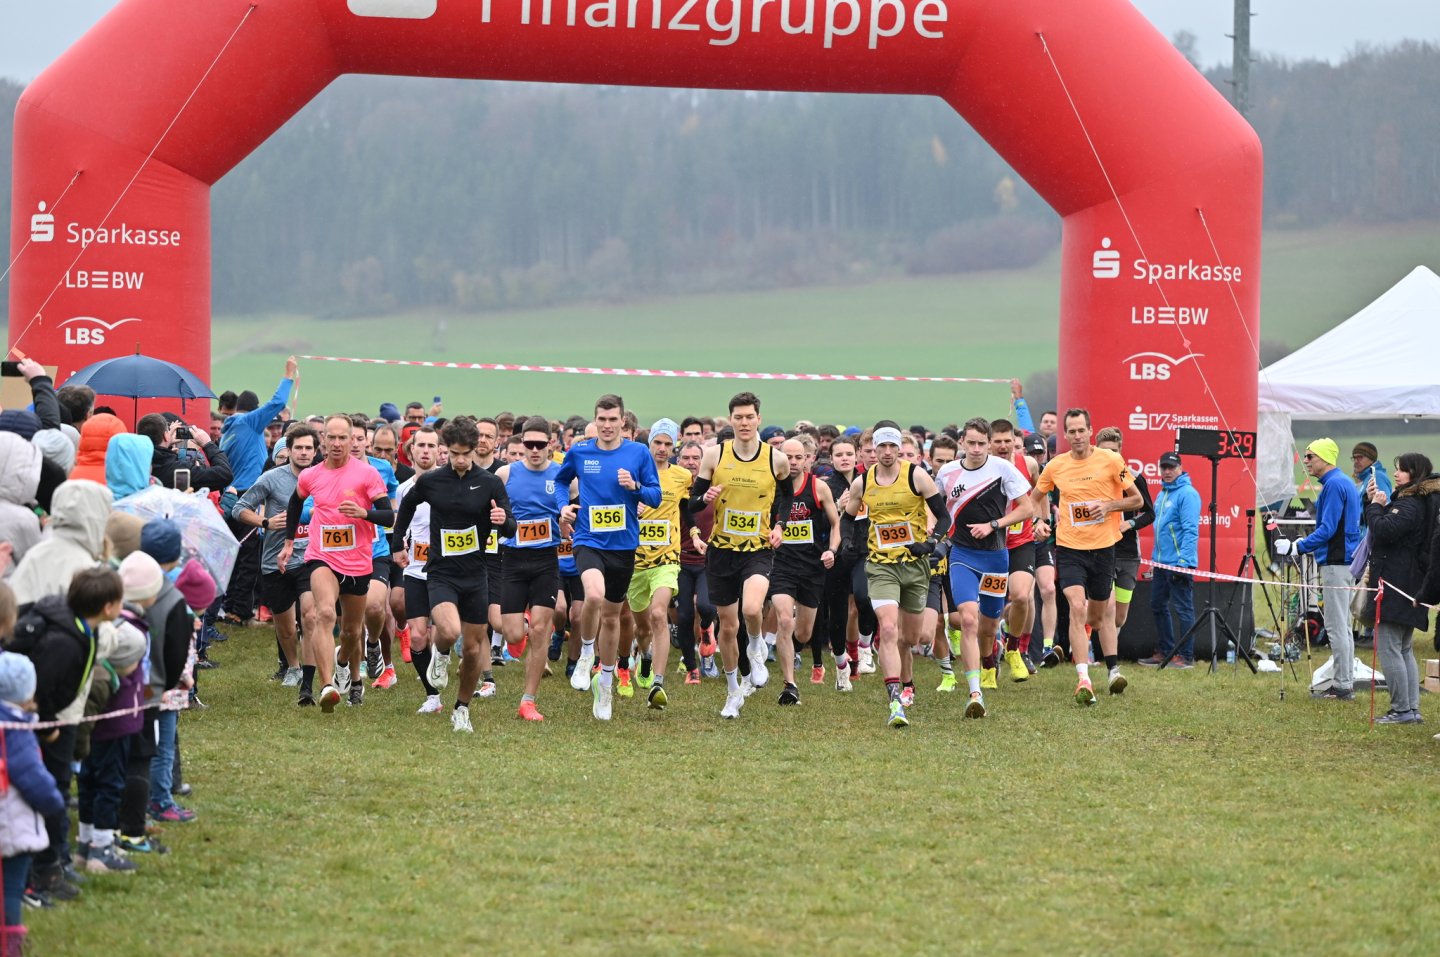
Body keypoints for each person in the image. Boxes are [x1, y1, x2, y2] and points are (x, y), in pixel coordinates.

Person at [392, 417, 515, 732]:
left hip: (476, 575)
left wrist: (502, 520)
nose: (460, 460)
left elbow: (511, 526)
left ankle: (461, 709)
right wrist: (397, 543)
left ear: (475, 449)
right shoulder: (432, 481)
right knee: (447, 630)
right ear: (447, 450)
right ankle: (442, 655)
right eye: (454, 453)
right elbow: (406, 507)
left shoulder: (490, 483)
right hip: (442, 572)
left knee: (473, 650)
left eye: (466, 453)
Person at [278, 414, 393, 713]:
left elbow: (388, 516)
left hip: (358, 561)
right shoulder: (310, 476)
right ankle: (327, 685)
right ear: (323, 440)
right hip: (322, 556)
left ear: (352, 440)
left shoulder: (367, 474)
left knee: (352, 632)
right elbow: (295, 502)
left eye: (344, 438)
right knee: (325, 613)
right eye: (333, 437)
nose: (338, 443)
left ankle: (346, 667)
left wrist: (364, 513)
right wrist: (289, 543)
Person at [556, 395, 661, 721]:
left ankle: (605, 685)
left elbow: (655, 496)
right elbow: (560, 481)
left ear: (622, 422)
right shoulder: (580, 452)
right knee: (594, 595)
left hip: (623, 546)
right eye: (601, 419)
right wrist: (562, 506)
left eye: (612, 419)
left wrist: (635, 487)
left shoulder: (638, 453)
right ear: (595, 420)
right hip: (588, 539)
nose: (606, 425)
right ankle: (587, 652)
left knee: (613, 617)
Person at [1028, 409, 1142, 706]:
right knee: (1077, 607)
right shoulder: (1056, 465)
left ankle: (1101, 661)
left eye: (1081, 430)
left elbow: (1137, 499)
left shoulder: (1110, 460)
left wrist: (1109, 506)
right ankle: (1084, 679)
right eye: (1072, 431)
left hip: (1104, 548)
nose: (1077, 436)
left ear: (1090, 431)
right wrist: (1038, 522)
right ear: (1065, 435)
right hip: (1069, 549)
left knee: (1097, 617)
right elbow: (1034, 499)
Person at [689, 392, 791, 720]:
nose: (744, 422)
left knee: (751, 608)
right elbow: (693, 502)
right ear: (730, 419)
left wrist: (780, 525)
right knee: (728, 627)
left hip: (757, 549)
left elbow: (786, 498)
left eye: (749, 417)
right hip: (721, 550)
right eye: (738, 417)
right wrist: (706, 497)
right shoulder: (714, 455)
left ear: (758, 419)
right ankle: (734, 690)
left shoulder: (776, 459)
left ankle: (757, 647)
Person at [841, 424, 950, 727]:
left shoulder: (916, 476)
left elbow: (944, 517)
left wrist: (930, 543)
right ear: (873, 450)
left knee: (911, 638)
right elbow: (847, 518)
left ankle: (908, 680)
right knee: (888, 629)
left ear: (899, 448)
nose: (887, 452)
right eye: (882, 447)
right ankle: (894, 700)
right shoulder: (863, 482)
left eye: (892, 446)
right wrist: (847, 541)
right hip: (881, 566)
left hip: (914, 566)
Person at [935, 418, 1031, 718]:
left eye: (981, 443)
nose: (976, 449)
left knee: (988, 626)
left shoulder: (1003, 469)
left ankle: (993, 656)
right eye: (971, 443)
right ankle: (975, 692)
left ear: (989, 443)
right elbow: (933, 506)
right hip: (962, 555)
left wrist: (994, 525)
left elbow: (1028, 508)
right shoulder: (947, 472)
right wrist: (934, 534)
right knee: (968, 619)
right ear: (961, 442)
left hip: (995, 558)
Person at [233, 423, 320, 688]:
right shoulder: (271, 478)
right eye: (298, 448)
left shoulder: (323, 477)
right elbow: (239, 508)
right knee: (285, 626)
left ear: (315, 451)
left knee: (310, 616)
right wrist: (266, 522)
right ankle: (292, 667)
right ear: (289, 451)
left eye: (308, 448)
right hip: (275, 561)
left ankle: (309, 675)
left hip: (310, 558)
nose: (303, 453)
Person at [495, 416, 568, 722]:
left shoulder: (562, 475)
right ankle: (523, 624)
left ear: (551, 444)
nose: (535, 450)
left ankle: (528, 701)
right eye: (529, 444)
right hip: (512, 560)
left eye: (541, 444)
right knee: (513, 635)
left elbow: (578, 508)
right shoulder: (505, 474)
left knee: (540, 631)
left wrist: (568, 521)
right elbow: (488, 511)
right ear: (521, 443)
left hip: (545, 562)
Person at [218, 356, 298, 625]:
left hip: (230, 496)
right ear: (253, 411)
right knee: (249, 556)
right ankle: (239, 611)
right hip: (248, 497)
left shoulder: (228, 430)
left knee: (234, 553)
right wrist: (288, 375)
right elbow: (276, 403)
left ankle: (227, 605)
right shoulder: (249, 423)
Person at [1361, 453, 1437, 724]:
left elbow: (1384, 530)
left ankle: (1401, 710)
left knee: (1389, 647)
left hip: (1397, 584)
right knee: (1403, 647)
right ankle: (1410, 709)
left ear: (1415, 473)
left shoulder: (1410, 504)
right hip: (1410, 583)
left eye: (1402, 470)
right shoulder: (1416, 501)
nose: (1396, 474)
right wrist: (1372, 503)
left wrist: (1374, 506)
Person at [0, 649, 66, 952]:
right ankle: (10, 942)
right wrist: (53, 802)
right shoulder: (16, 731)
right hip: (11, 824)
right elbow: (31, 776)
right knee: (11, 889)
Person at [1288, 438, 1364, 701]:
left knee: (1335, 626)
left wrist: (1298, 546)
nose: (1305, 461)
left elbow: (1328, 529)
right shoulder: (1342, 481)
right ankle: (1345, 681)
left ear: (1324, 458)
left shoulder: (1333, 485)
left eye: (1310, 456)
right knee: (1343, 625)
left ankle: (1342, 686)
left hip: (1337, 562)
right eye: (1305, 456)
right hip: (1344, 561)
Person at [626, 419, 693, 711]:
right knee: (642, 629)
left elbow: (690, 509)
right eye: (658, 443)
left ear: (674, 446)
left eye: (668, 444)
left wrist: (695, 532)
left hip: (667, 558)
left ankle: (658, 683)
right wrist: (633, 504)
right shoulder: (632, 473)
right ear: (649, 443)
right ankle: (646, 655)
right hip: (635, 561)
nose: (663, 449)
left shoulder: (682, 476)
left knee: (658, 613)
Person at [768, 435, 840, 705]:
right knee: (785, 620)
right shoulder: (772, 487)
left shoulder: (818, 487)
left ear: (808, 459)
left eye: (799, 457)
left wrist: (832, 550)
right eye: (788, 457)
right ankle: (790, 685)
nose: (794, 462)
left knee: (804, 633)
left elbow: (836, 524)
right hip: (780, 564)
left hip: (811, 566)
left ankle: (792, 648)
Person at [1094, 427, 1155, 652]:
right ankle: (1103, 656)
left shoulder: (1134, 478)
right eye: (1105, 452)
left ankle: (1105, 651)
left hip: (1128, 554)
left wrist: (1129, 524)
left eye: (1114, 451)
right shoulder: (1091, 478)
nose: (1110, 456)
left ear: (1120, 451)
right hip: (1100, 550)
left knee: (1119, 617)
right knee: (1106, 608)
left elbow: (1150, 513)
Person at [1142, 451, 1201, 668]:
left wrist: (1183, 563)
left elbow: (1190, 531)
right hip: (1160, 562)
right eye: (1164, 467)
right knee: (1157, 605)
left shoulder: (1188, 494)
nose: (1167, 472)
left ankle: (1186, 656)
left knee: (1183, 609)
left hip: (1178, 563)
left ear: (1180, 468)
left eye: (1171, 467)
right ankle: (1166, 651)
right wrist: (1155, 559)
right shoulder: (1162, 493)